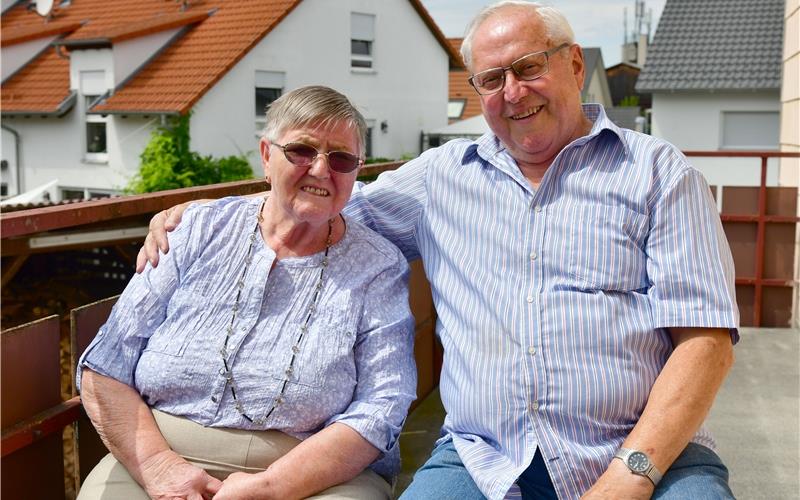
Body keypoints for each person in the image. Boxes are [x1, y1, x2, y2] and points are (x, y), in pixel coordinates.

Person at [139, 2, 739, 499]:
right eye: (490, 79)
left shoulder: (657, 173)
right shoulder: (440, 178)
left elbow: (705, 344)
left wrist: (631, 476)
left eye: (528, 68)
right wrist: (207, 215)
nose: (512, 92)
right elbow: (324, 200)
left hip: (647, 455)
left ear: (574, 65)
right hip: (485, 459)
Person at [76, 85, 416, 500]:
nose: (321, 170)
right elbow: (105, 364)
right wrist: (158, 467)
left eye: (341, 158)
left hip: (317, 473)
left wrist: (272, 487)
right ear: (266, 155)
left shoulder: (378, 266)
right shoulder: (195, 230)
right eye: (301, 151)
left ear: (355, 171)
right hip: (160, 453)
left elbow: (383, 405)